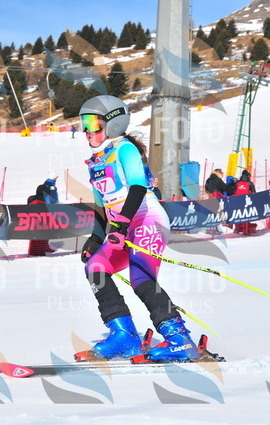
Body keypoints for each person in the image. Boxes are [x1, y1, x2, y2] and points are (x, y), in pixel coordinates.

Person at [78, 95, 199, 362]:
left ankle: (180, 340)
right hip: (122, 226)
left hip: (147, 220)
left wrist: (121, 224)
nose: (87, 131)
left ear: (112, 124)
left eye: (93, 124)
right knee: (96, 268)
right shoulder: (96, 161)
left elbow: (137, 188)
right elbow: (101, 206)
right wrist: (95, 238)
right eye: (84, 124)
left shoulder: (125, 149)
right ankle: (124, 335)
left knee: (141, 277)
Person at [233, 170, 257, 235]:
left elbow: (234, 191)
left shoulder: (237, 183)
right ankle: (247, 228)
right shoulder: (250, 183)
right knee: (247, 214)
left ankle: (238, 227)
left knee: (239, 214)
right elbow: (254, 192)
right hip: (247, 201)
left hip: (238, 201)